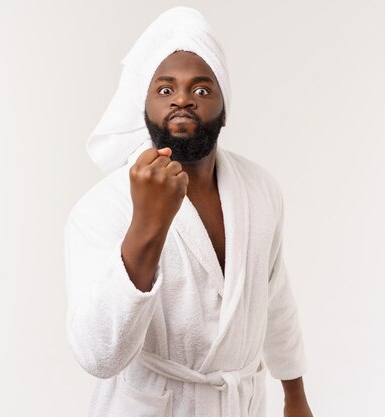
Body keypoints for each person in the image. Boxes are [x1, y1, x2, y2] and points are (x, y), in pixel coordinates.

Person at [64, 6, 314, 417]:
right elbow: (98, 356)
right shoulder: (101, 208)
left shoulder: (260, 187)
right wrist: (147, 223)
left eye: (201, 90)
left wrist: (295, 394)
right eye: (165, 89)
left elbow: (275, 295)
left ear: (225, 106)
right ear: (143, 106)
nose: (182, 99)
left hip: (242, 406)